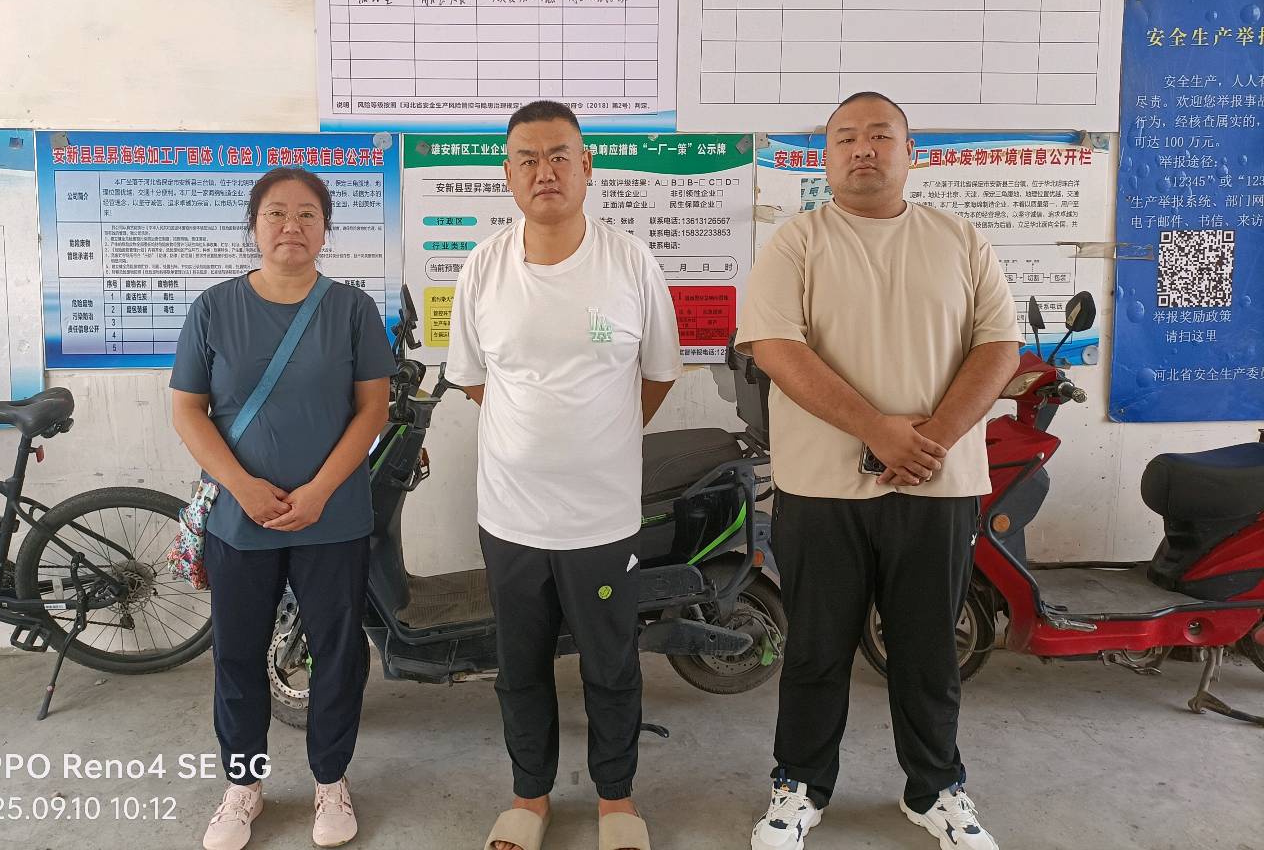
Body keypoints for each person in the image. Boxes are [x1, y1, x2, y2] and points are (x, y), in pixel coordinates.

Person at [737, 93, 1021, 850]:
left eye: (880, 135)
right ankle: (799, 786)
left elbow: (999, 347)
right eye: (846, 138)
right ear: (827, 157)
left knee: (928, 649)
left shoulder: (960, 239)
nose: (863, 149)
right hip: (821, 488)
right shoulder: (796, 242)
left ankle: (936, 790)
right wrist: (878, 430)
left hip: (936, 485)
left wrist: (930, 440)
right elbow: (776, 348)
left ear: (909, 151)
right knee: (816, 647)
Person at [446, 100, 683, 850]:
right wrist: (536, 435)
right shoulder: (483, 266)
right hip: (511, 516)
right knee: (520, 668)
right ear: (507, 173)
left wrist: (598, 438)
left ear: (587, 166)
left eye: (558, 156)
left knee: (611, 664)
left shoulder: (630, 262)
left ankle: (617, 798)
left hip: (601, 519)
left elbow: (658, 373)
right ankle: (529, 796)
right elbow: (475, 379)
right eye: (527, 158)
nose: (543, 171)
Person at [171, 167, 393, 850]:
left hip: (333, 517)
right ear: (254, 225)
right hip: (240, 520)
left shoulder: (352, 309)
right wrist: (241, 485)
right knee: (237, 654)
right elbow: (188, 410)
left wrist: (320, 490)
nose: (291, 226)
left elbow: (373, 410)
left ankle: (331, 780)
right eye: (275, 213)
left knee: (337, 653)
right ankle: (244, 786)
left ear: (325, 229)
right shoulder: (214, 307)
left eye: (306, 214)